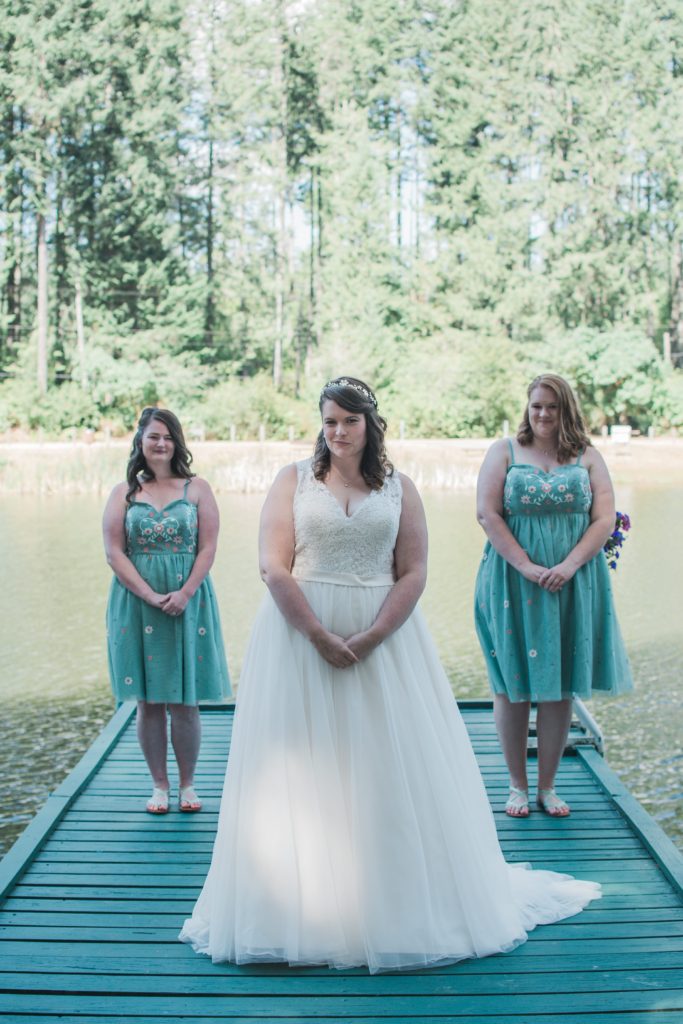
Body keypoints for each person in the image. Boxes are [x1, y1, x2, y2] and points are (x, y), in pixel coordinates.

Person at [179, 376, 599, 974]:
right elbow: (274, 568)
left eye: (350, 421)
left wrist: (373, 635)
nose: (339, 432)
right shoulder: (291, 480)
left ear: (371, 425)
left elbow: (414, 572)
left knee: (386, 764)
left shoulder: (400, 488)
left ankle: (392, 901)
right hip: (298, 640)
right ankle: (300, 903)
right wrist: (319, 636)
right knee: (303, 763)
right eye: (329, 422)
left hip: (384, 638)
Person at [474, 373, 633, 820]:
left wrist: (568, 565)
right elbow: (487, 513)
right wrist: (526, 565)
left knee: (559, 685)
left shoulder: (588, 456)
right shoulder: (504, 451)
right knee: (513, 684)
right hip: (510, 579)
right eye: (536, 405)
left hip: (573, 580)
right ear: (527, 407)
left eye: (552, 406)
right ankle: (517, 786)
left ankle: (547, 786)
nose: (542, 414)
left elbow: (603, 519)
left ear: (567, 410)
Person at [103, 407, 231, 815]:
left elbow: (208, 547)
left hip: (188, 602)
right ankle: (159, 785)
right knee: (148, 701)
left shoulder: (197, 489)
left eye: (168, 436)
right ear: (140, 442)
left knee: (185, 701)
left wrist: (185, 591)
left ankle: (188, 785)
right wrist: (147, 594)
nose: (161, 443)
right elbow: (114, 552)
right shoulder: (124, 494)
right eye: (153, 436)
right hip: (137, 604)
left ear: (177, 443)